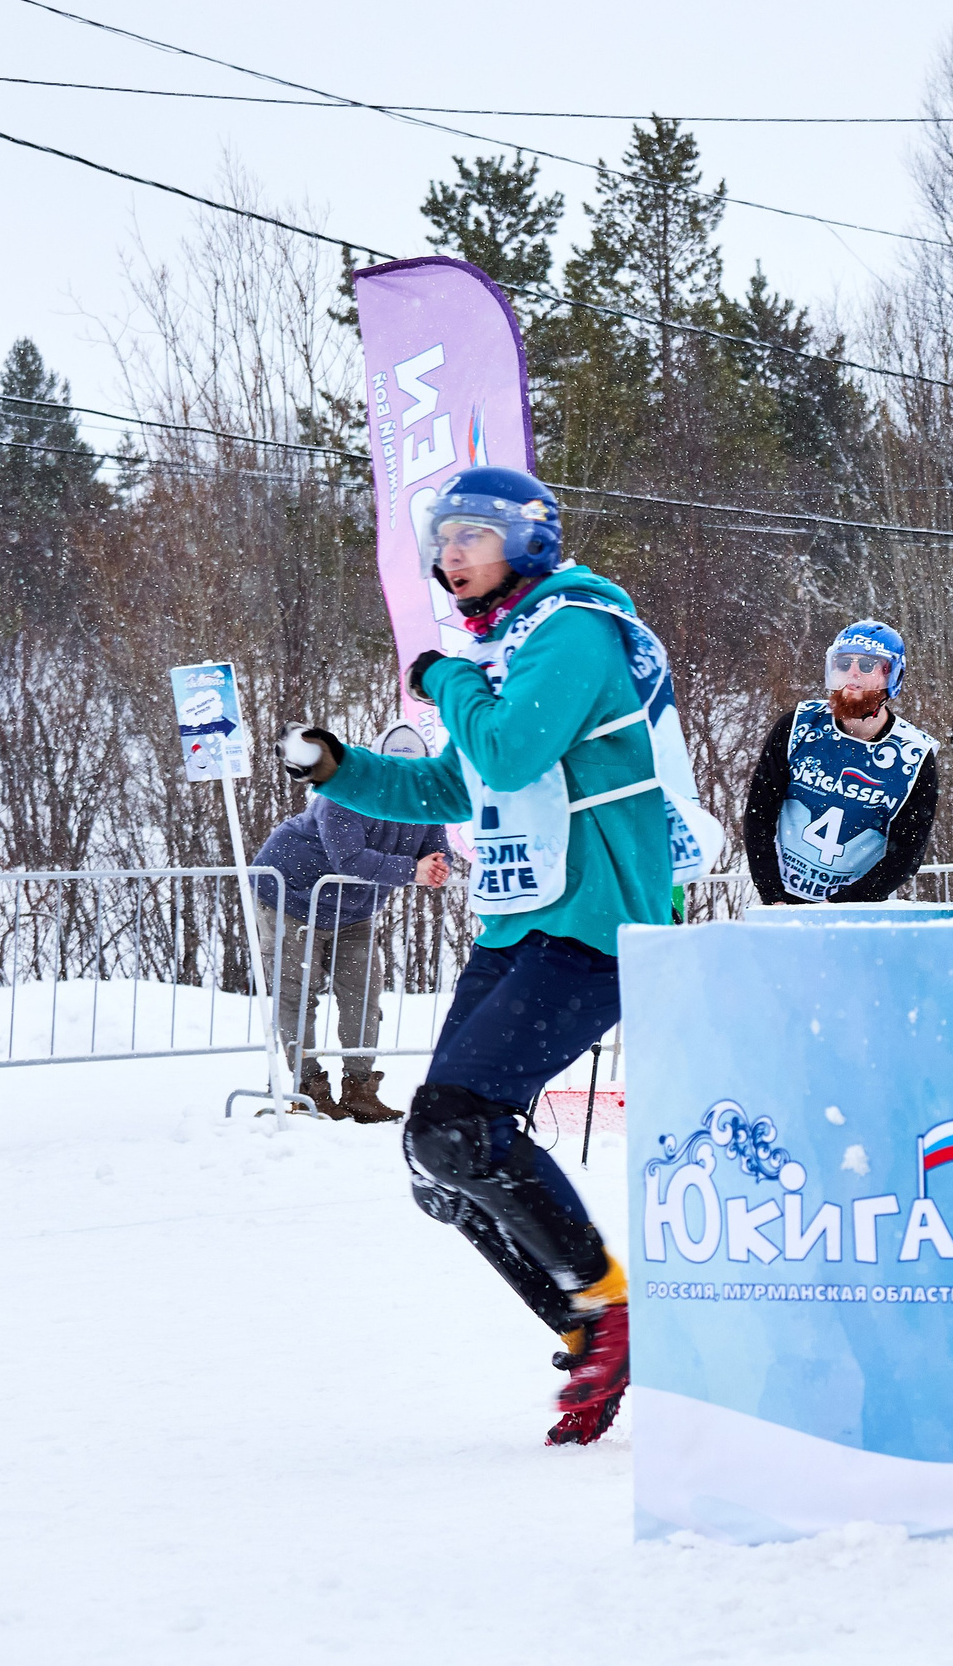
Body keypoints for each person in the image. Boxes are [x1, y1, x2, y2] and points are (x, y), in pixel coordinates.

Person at [278, 465, 711, 1447]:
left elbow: (510, 750)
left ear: (527, 540)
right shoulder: (505, 651)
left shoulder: (572, 629)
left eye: (470, 534)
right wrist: (339, 768)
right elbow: (452, 784)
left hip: (594, 920)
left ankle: (608, 1305)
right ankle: (590, 1324)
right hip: (518, 923)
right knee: (437, 1160)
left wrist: (445, 677)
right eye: (441, 538)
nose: (449, 553)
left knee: (458, 1128)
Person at [252, 720, 454, 1124]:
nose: (402, 779)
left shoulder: (426, 801)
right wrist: (411, 870)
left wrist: (436, 867)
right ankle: (307, 1089)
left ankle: (360, 1089)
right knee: (297, 994)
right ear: (376, 764)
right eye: (392, 768)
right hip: (291, 896)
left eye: (412, 771)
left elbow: (436, 851)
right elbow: (349, 859)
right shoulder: (344, 792)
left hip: (355, 910)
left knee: (363, 994)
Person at [743, 621, 940, 905]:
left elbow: (907, 854)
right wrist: (772, 894)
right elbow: (759, 814)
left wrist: (843, 905)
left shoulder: (915, 755)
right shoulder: (797, 727)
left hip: (856, 911)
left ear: (892, 674)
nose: (853, 673)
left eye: (868, 665)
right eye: (844, 663)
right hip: (784, 902)